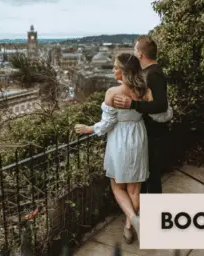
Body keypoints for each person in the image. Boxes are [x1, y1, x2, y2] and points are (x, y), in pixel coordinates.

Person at [74, 53, 165, 244]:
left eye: (116, 67)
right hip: (139, 137)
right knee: (134, 187)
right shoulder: (144, 91)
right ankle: (129, 228)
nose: (113, 70)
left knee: (117, 186)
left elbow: (107, 123)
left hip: (120, 139)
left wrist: (90, 128)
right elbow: (157, 110)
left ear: (124, 71)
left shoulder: (113, 93)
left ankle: (133, 219)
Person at [111, 35, 172, 195]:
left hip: (155, 134)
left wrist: (132, 104)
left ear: (140, 53)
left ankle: (153, 215)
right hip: (150, 133)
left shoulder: (154, 74)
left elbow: (161, 105)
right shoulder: (148, 72)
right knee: (148, 177)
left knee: (152, 178)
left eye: (135, 49)